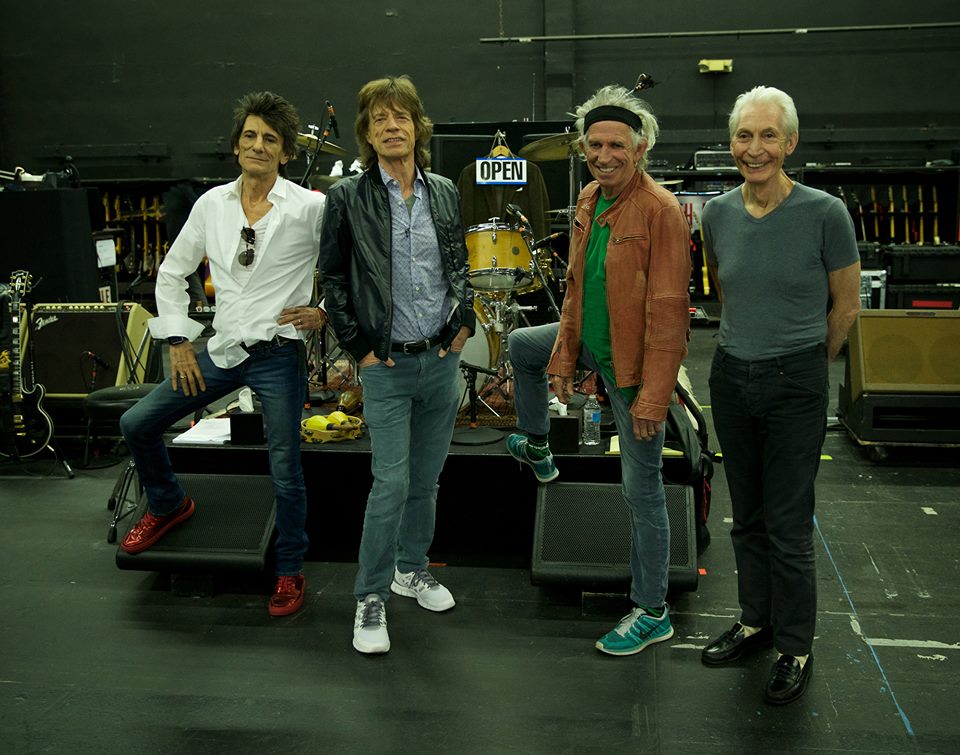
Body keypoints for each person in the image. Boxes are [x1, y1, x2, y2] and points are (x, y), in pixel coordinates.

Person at [119, 91, 326, 618]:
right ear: (236, 145)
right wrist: (177, 341)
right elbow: (172, 273)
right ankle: (169, 504)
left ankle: (290, 568)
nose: (258, 145)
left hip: (278, 354)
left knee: (286, 468)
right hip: (223, 348)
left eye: (270, 139)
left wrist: (323, 310)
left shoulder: (311, 207)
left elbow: (348, 267)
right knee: (138, 423)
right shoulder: (211, 204)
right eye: (250, 136)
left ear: (286, 153)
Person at [506, 85, 691, 656]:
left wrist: (653, 398)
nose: (604, 155)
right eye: (594, 145)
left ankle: (652, 609)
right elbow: (576, 288)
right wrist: (565, 353)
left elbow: (670, 314)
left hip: (633, 365)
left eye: (616, 145)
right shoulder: (589, 197)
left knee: (642, 490)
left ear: (640, 149)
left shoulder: (660, 210)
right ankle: (539, 445)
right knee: (522, 345)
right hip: (591, 341)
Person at [699, 85, 861, 705]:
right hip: (730, 377)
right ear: (731, 144)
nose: (755, 148)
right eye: (744, 135)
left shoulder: (826, 213)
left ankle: (794, 646)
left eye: (768, 135)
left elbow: (845, 307)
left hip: (796, 381)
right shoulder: (717, 214)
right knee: (747, 517)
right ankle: (755, 621)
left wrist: (806, 365)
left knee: (788, 525)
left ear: (790, 143)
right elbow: (727, 292)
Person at [318, 75, 474, 655]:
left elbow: (458, 263)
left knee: (427, 480)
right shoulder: (346, 197)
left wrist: (464, 321)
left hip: (439, 359)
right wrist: (357, 346)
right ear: (366, 132)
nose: (391, 126)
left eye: (400, 116)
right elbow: (333, 277)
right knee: (391, 482)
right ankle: (370, 594)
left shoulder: (444, 191)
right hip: (384, 364)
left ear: (417, 127)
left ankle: (412, 569)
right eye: (379, 118)